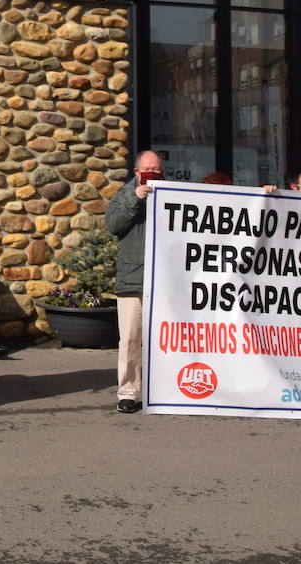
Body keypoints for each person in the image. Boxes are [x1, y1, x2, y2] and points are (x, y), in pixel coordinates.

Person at [105, 150, 162, 414]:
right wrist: (134, 199)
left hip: (165, 279)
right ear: (137, 172)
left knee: (166, 339)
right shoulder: (124, 195)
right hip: (133, 279)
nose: (153, 173)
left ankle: (163, 390)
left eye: (157, 169)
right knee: (129, 338)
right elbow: (113, 226)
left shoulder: (172, 193)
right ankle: (129, 391)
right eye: (148, 169)